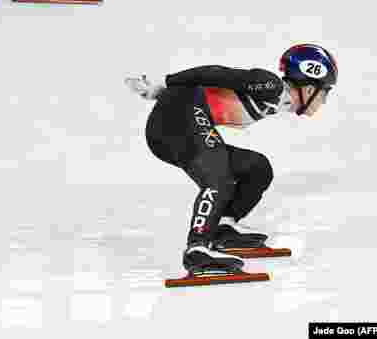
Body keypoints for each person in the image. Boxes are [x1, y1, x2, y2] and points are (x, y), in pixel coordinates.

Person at [125, 43, 338, 275]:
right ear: (309, 89)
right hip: (175, 121)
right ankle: (196, 250)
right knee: (219, 179)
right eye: (325, 93)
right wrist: (165, 83)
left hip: (172, 130)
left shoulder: (279, 100)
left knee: (257, 169)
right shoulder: (272, 86)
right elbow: (215, 73)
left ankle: (223, 229)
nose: (324, 102)